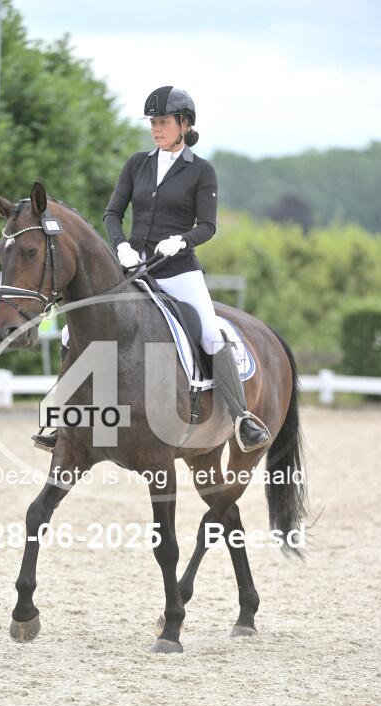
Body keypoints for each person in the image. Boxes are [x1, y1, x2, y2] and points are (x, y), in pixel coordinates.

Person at [102, 85, 271, 452]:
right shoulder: (136, 164)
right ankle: (68, 417)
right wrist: (121, 246)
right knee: (79, 328)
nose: (156, 129)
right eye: (152, 123)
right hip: (135, 269)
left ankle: (241, 418)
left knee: (211, 334)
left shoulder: (201, 171)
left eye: (163, 122)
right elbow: (112, 213)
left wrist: (181, 241)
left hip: (178, 271)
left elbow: (207, 226)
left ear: (184, 124)